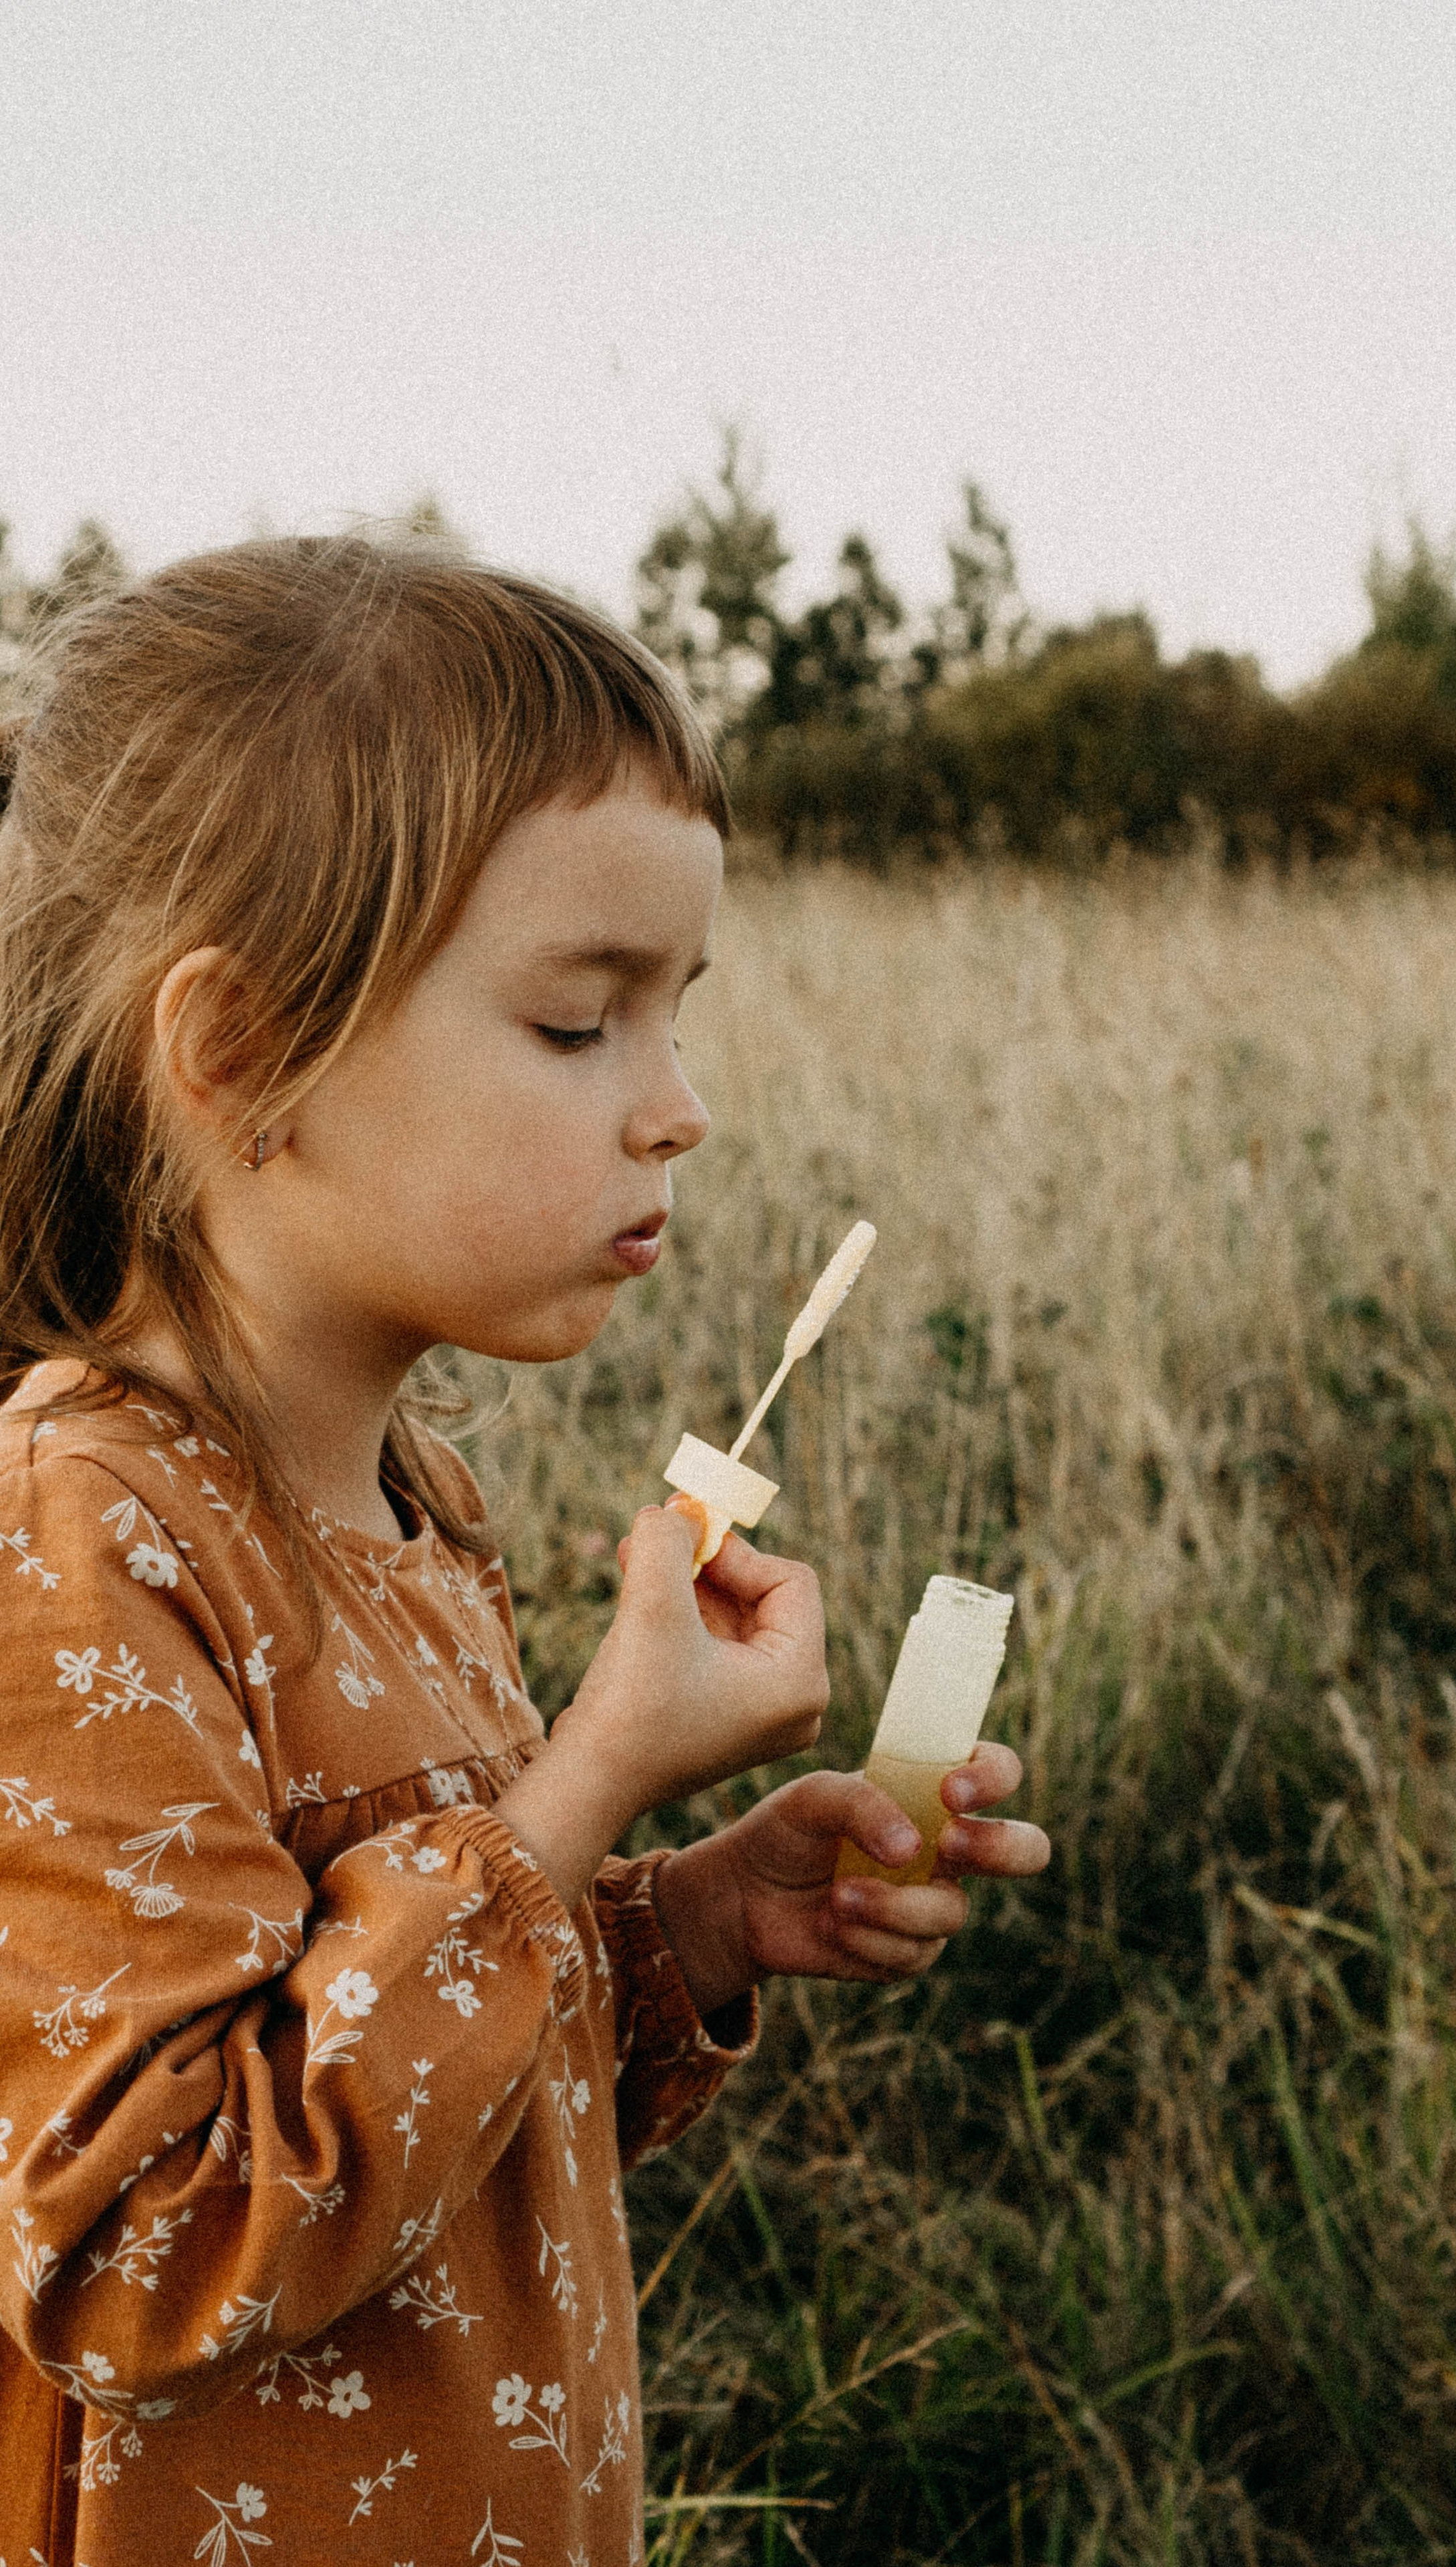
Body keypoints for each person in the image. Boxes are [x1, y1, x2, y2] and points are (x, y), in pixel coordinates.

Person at [0, 535, 1049, 2562]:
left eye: (676, 1015)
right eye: (580, 1025)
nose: (680, 1110)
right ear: (240, 1052)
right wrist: (578, 1790)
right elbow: (149, 2251)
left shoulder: (408, 1504)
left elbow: (434, 2131)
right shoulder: (76, 1543)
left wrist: (689, 1925)